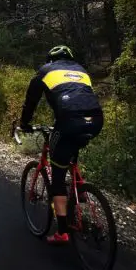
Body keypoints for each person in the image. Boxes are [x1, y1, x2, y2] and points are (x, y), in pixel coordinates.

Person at [15, 45, 103, 244]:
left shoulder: (45, 72)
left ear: (51, 60)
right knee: (71, 151)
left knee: (57, 174)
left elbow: (31, 101)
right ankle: (79, 193)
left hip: (69, 122)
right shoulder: (81, 71)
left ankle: (62, 231)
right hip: (96, 120)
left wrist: (25, 123)